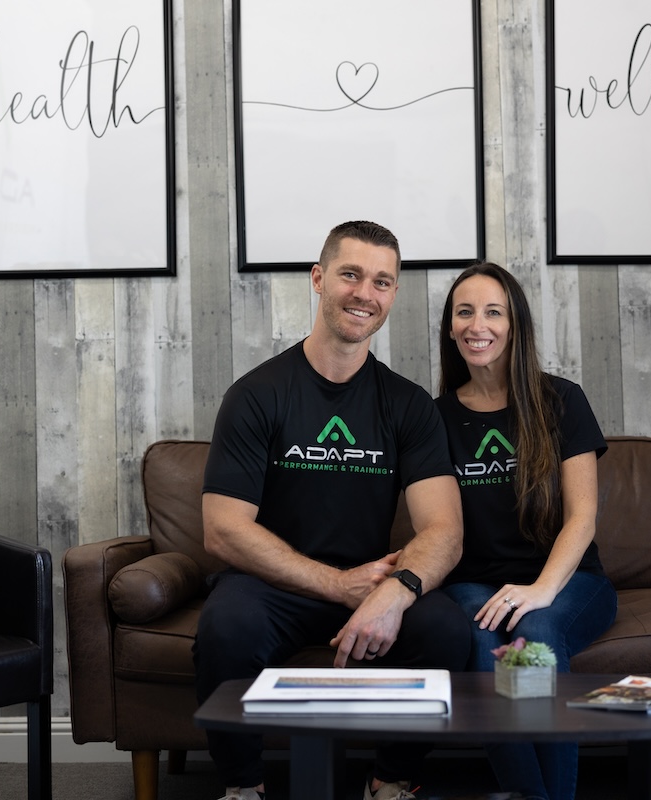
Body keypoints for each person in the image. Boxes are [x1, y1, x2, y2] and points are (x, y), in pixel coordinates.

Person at [195, 221, 471, 800]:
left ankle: (391, 780)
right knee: (227, 626)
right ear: (318, 279)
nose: (364, 293)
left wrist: (395, 591)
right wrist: (336, 584)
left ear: (393, 293)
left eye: (381, 281)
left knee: (446, 628)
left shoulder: (408, 405)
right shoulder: (257, 395)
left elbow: (445, 530)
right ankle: (243, 787)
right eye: (350, 274)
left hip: (372, 580)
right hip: (273, 584)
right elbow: (223, 531)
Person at [435, 262, 618, 800]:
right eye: (464, 312)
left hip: (568, 580)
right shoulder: (435, 417)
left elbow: (582, 516)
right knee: (480, 638)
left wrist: (540, 590)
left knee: (533, 636)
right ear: (450, 327)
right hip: (473, 582)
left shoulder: (561, 400)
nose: (478, 325)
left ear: (515, 325)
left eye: (494, 312)